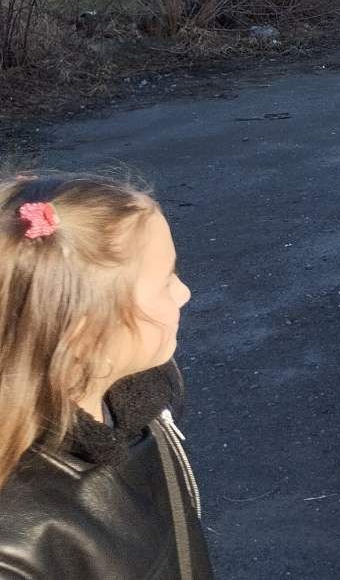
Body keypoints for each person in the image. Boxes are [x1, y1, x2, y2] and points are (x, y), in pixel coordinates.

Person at [0, 172, 210, 579]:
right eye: (166, 280)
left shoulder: (141, 408)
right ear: (87, 337)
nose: (183, 293)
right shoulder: (15, 550)